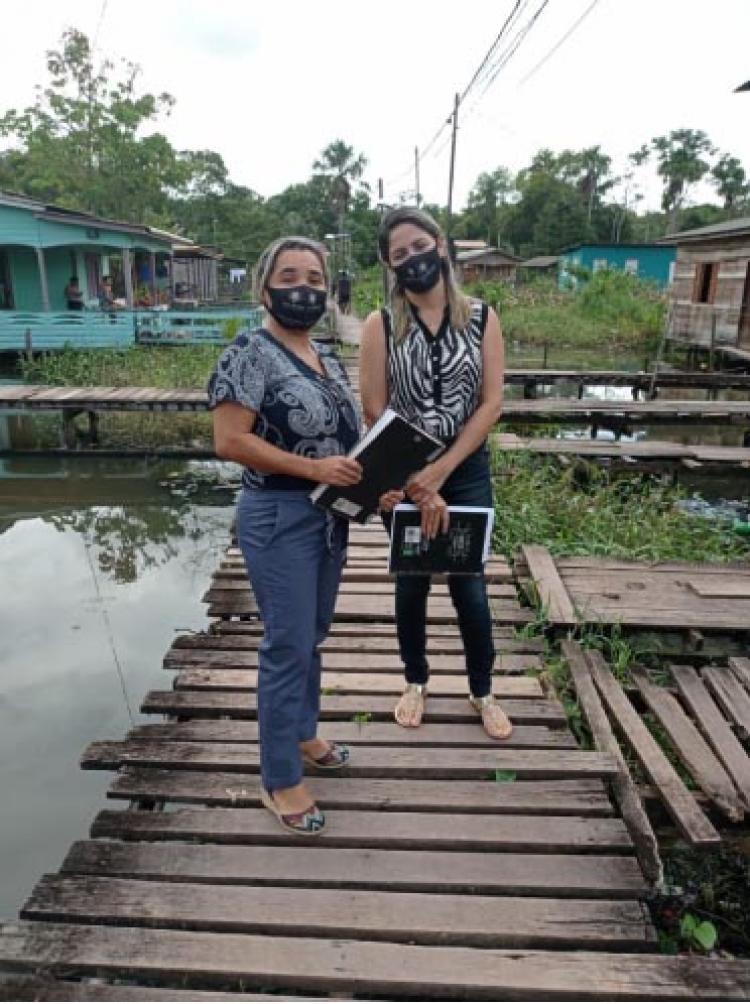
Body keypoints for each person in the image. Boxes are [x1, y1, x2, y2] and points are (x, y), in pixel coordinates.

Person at [208, 236, 362, 836]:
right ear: (265, 286)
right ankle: (279, 779)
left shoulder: (327, 355)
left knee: (312, 634)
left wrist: (377, 478)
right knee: (286, 643)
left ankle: (302, 733)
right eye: (290, 275)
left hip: (332, 513)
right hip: (278, 515)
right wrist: (315, 469)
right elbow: (230, 441)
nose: (305, 287)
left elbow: (344, 439)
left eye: (315, 277)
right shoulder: (249, 352)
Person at [359, 206, 512, 740]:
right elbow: (375, 408)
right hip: (401, 471)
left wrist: (442, 472)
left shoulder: (483, 318)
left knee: (469, 583)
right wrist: (413, 478)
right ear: (389, 264)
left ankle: (482, 690)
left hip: (465, 470)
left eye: (420, 247)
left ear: (441, 246)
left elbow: (490, 403)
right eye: (400, 254)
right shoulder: (380, 325)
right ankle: (415, 680)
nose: (413, 260)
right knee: (412, 580)